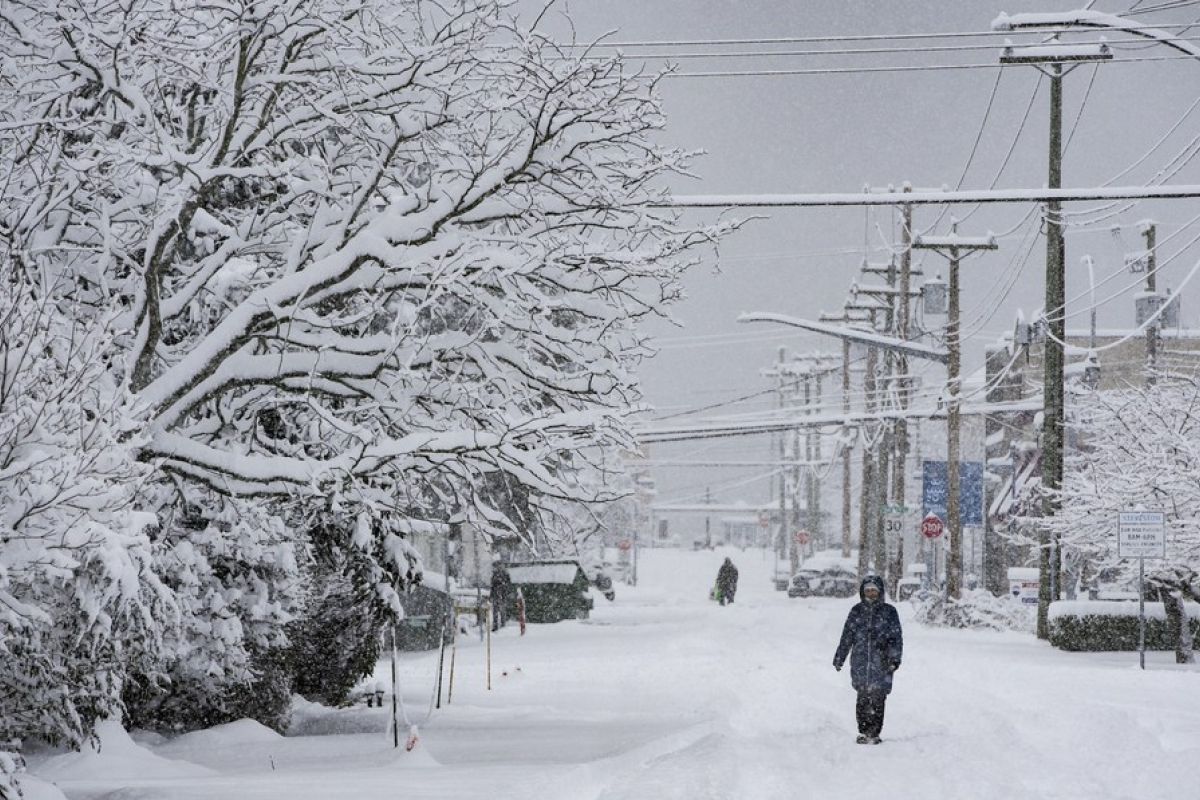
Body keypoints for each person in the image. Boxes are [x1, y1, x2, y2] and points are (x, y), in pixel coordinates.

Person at [832, 574, 903, 744]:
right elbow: (847, 636)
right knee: (862, 696)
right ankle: (864, 732)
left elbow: (896, 638)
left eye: (874, 590)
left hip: (882, 663)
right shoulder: (856, 611)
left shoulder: (889, 612)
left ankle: (875, 732)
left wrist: (894, 659)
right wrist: (840, 656)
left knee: (878, 697)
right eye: (868, 590)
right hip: (860, 662)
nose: (871, 593)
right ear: (863, 592)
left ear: (880, 592)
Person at [490, 564, 513, 631]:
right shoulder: (494, 575)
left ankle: (502, 626)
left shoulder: (505, 574)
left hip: (502, 595)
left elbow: (508, 585)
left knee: (501, 611)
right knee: (496, 611)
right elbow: (492, 586)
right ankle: (496, 626)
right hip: (497, 595)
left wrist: (504, 590)